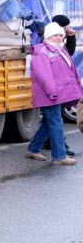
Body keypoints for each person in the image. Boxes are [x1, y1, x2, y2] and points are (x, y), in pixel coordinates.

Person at [26, 21, 83, 166]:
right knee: (56, 123)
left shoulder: (59, 49)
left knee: (48, 122)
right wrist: (52, 92)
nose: (58, 37)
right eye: (55, 35)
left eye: (60, 35)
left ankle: (33, 149)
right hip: (50, 94)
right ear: (47, 36)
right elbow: (43, 75)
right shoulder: (42, 51)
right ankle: (59, 156)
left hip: (57, 93)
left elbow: (71, 71)